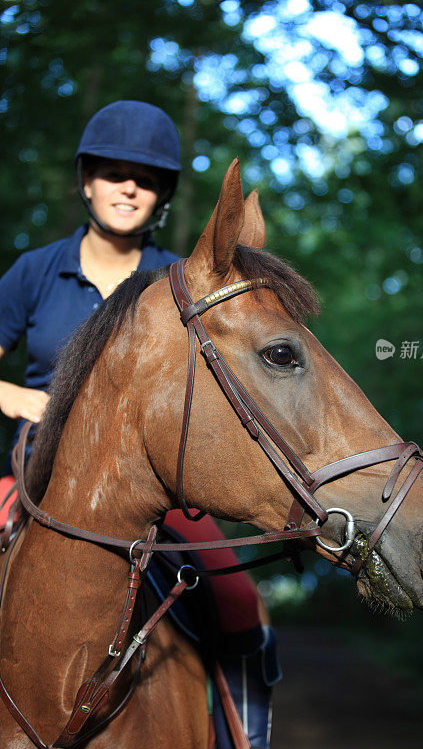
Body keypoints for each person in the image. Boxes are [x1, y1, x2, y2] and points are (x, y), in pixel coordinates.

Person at [0, 100, 278, 748]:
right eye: (112, 170)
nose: (128, 186)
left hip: (154, 484)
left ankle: (248, 737)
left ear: (161, 195)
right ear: (86, 181)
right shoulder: (35, 273)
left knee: (238, 599)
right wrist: (14, 397)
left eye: (146, 177)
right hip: (37, 470)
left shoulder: (178, 283)